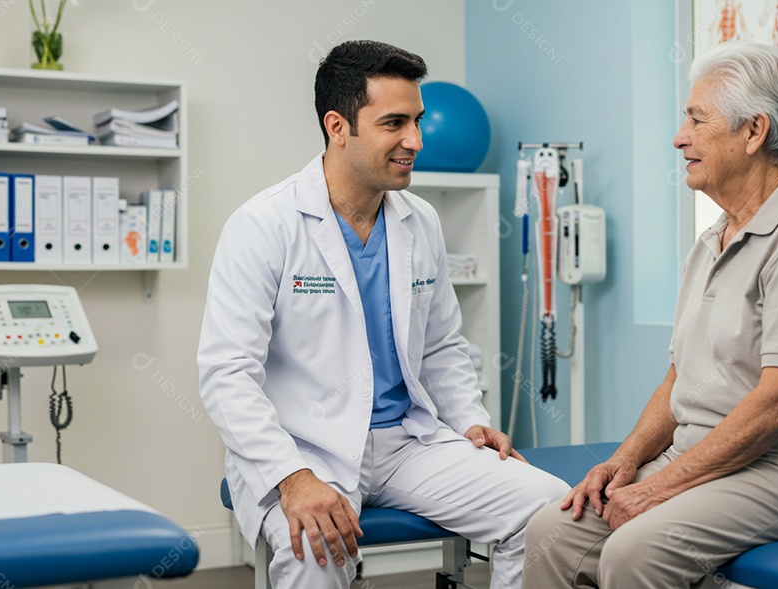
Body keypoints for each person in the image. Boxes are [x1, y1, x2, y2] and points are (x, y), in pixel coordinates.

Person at [198, 40, 569, 589]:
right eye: (394, 123)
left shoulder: (419, 221)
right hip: (305, 447)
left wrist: (470, 419)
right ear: (338, 126)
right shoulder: (263, 226)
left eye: (417, 121)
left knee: (550, 512)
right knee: (314, 552)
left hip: (407, 443)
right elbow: (227, 375)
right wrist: (292, 477)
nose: (415, 141)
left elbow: (443, 344)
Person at [523, 41, 778, 589]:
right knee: (552, 531)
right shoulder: (714, 238)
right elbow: (680, 379)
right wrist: (624, 464)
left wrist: (657, 488)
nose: (680, 137)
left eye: (696, 119)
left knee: (636, 551)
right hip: (712, 456)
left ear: (754, 132)